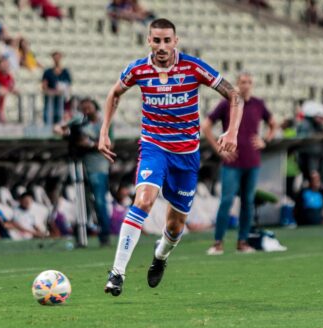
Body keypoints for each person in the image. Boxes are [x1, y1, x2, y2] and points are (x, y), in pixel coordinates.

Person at [99, 18, 243, 296]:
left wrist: (232, 131)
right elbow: (114, 93)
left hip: (186, 156)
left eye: (167, 40)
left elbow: (234, 95)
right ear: (148, 41)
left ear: (175, 41)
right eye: (156, 40)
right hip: (154, 147)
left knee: (175, 226)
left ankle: (161, 256)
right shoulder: (138, 69)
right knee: (143, 200)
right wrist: (104, 131)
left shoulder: (193, 67)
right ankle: (117, 273)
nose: (162, 46)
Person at [204, 72, 276, 255]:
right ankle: (218, 242)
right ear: (236, 84)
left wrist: (265, 140)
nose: (246, 85)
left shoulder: (259, 105)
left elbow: (274, 124)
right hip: (232, 162)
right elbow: (205, 126)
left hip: (252, 161)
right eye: (243, 82)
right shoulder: (226, 103)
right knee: (226, 201)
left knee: (248, 202)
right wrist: (219, 149)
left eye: (249, 82)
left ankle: (242, 242)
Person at [56, 98, 113, 246]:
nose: (86, 110)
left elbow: (109, 144)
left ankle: (104, 235)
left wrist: (90, 143)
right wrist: (64, 130)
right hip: (81, 166)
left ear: (95, 107)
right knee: (83, 202)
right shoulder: (80, 122)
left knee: (99, 201)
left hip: (98, 167)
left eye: (89, 107)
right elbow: (61, 129)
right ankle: (81, 235)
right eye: (84, 108)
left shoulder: (104, 123)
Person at [42, 51, 72, 124]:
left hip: (62, 100)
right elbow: (44, 86)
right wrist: (53, 91)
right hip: (50, 100)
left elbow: (68, 86)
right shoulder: (48, 72)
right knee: (49, 116)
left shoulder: (65, 72)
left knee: (60, 116)